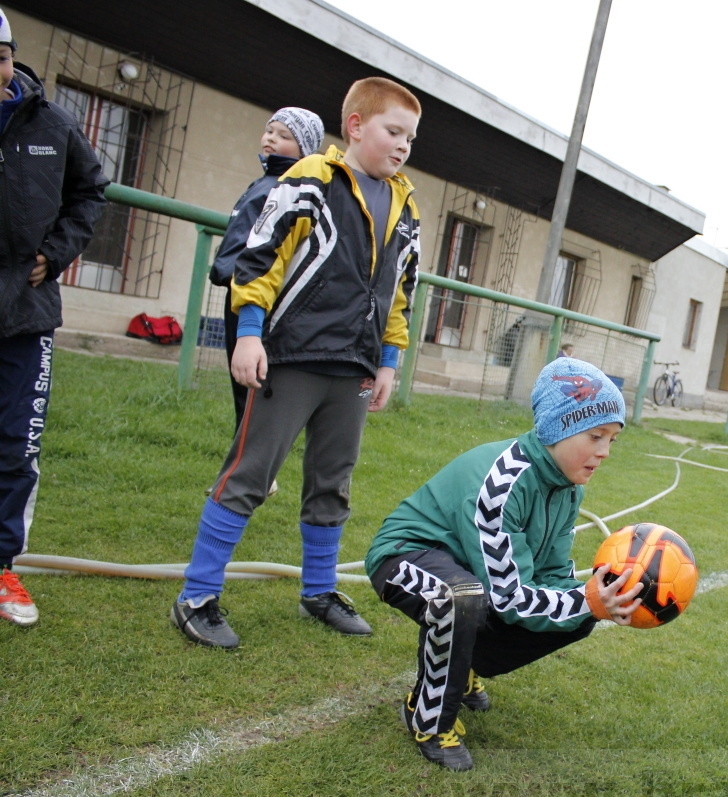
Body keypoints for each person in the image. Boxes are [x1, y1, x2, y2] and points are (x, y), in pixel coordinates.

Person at [170, 77, 422, 649]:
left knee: (333, 483)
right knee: (250, 476)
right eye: (393, 131)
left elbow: (400, 291)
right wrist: (250, 335)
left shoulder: (406, 205)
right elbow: (259, 256)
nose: (403, 145)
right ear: (356, 126)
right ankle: (197, 596)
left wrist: (388, 360)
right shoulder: (309, 179)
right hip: (292, 356)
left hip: (354, 368)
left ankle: (318, 591)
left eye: (410, 136)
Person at [365, 357, 641, 771]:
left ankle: (464, 665)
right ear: (557, 428)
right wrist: (588, 601)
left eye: (612, 441)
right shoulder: (502, 482)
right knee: (460, 596)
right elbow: (510, 598)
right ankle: (428, 715)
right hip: (403, 555)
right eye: (595, 436)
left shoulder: (568, 488)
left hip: (470, 569)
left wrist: (592, 599)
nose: (603, 452)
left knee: (576, 611)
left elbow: (549, 574)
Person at [0, 7, 108, 627]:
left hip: (27, 312)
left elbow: (91, 189)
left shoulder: (53, 124)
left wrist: (55, 252)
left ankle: (2, 565)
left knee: (15, 446)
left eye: (1, 55)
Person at [208, 107, 324, 434]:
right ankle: (249, 463)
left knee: (254, 383)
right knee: (241, 382)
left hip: (258, 297)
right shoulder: (263, 182)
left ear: (304, 148)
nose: (271, 138)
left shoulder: (288, 190)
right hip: (237, 289)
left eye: (284, 135)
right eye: (270, 130)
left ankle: (255, 468)